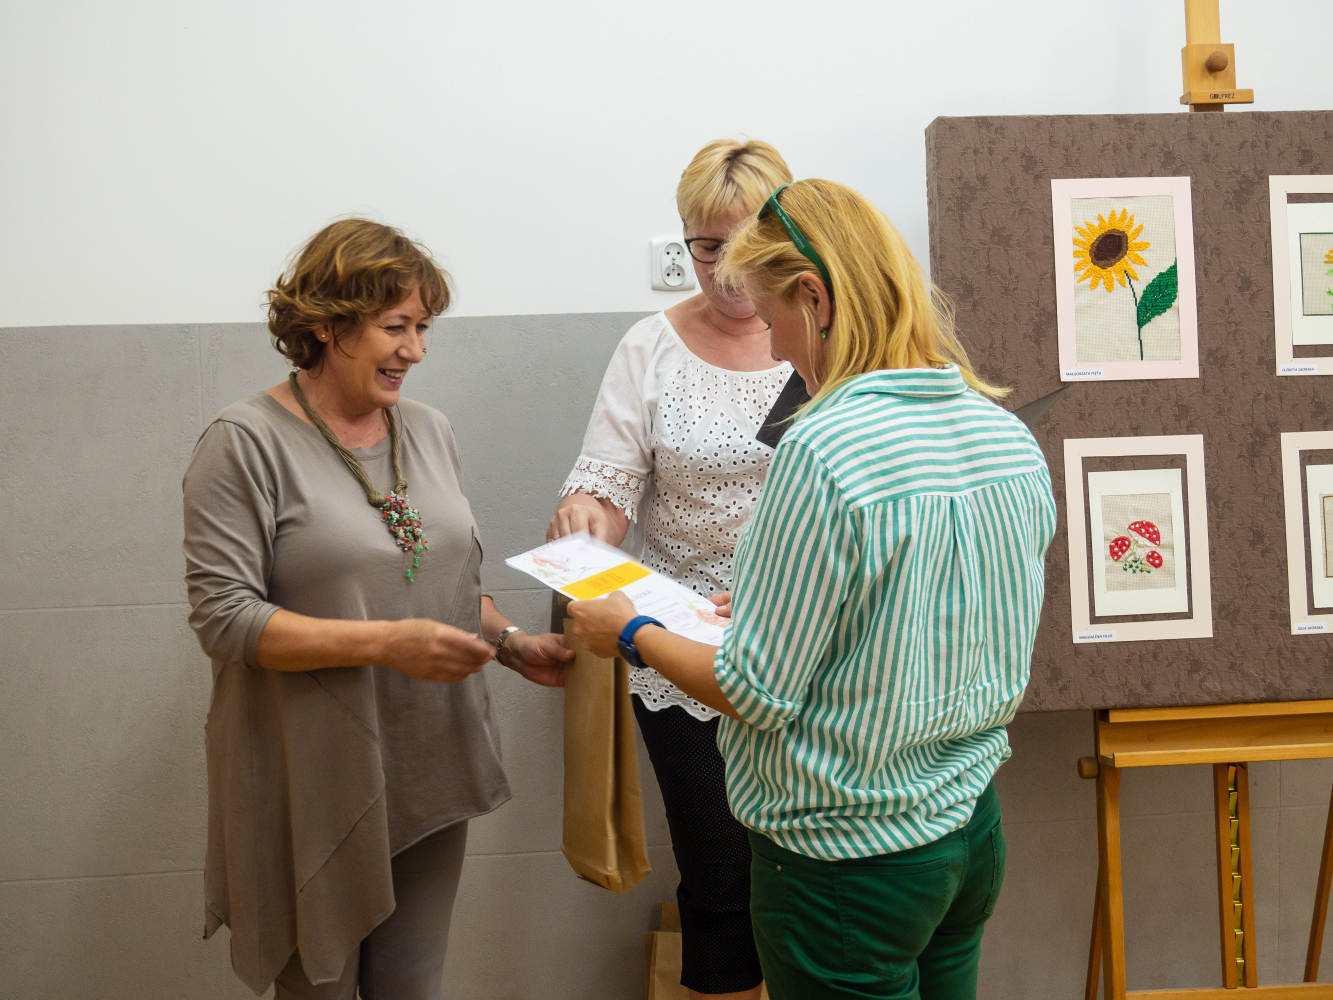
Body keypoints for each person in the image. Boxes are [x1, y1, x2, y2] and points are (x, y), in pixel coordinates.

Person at [569, 179, 1056, 1000]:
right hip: (966, 826)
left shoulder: (824, 447)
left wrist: (629, 631)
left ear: (815, 298)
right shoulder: (1000, 431)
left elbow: (753, 692)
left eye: (772, 320)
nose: (776, 350)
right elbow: (925, 619)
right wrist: (767, 608)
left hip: (846, 856)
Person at [182, 219, 573, 1000]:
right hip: (310, 774)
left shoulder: (429, 431)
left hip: (429, 762)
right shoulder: (243, 442)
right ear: (327, 324)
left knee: (412, 984)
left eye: (422, 328)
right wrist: (387, 643)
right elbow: (225, 619)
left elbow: (442, 586)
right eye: (396, 327)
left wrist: (508, 643)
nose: (415, 350)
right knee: (319, 985)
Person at [548, 138, 794, 1000]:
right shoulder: (649, 346)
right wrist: (587, 518)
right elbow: (605, 483)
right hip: (679, 649)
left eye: (746, 246)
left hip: (802, 641)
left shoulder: (823, 337)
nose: (726, 272)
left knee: (809, 873)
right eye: (705, 247)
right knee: (720, 875)